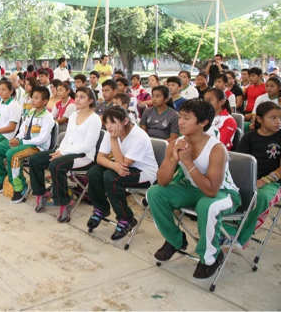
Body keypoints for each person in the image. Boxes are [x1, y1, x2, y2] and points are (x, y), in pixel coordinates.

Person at [147, 99, 240, 280]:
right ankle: (175, 240)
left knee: (207, 205)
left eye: (187, 118)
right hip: (192, 188)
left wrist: (188, 161)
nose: (180, 121)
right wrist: (175, 158)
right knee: (155, 193)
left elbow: (212, 191)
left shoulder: (216, 148)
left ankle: (211, 257)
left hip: (224, 193)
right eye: (180, 116)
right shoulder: (177, 143)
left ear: (203, 122)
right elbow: (162, 181)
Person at [29, 87, 102, 221]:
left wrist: (63, 153)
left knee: (56, 165)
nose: (78, 99)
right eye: (77, 96)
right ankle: (42, 193)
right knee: (35, 159)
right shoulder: (74, 115)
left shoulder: (94, 119)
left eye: (82, 97)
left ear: (90, 100)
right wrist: (59, 151)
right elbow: (67, 137)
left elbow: (88, 146)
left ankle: (65, 202)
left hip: (84, 156)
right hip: (66, 151)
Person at [87, 106, 158, 240]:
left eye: (113, 122)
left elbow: (123, 164)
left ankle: (126, 219)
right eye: (106, 123)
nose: (109, 127)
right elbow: (100, 158)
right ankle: (101, 208)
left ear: (125, 121)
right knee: (94, 172)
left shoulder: (138, 136)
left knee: (111, 177)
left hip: (144, 172)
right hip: (122, 167)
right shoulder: (111, 132)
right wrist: (113, 164)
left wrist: (114, 140)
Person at [0, 86, 54, 203]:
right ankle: (3, 179)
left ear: (45, 101)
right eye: (32, 97)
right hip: (24, 142)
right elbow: (23, 130)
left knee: (13, 155)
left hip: (37, 147)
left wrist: (22, 141)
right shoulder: (31, 112)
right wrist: (17, 138)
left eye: (36, 98)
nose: (32, 100)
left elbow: (41, 139)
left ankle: (20, 187)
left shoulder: (47, 117)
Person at [232, 102, 281, 248]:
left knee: (259, 197)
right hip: (249, 179)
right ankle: (228, 230)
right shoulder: (248, 138)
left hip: (273, 183)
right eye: (273, 118)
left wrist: (263, 181)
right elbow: (240, 164)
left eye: (280, 118)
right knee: (225, 191)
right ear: (259, 119)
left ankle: (241, 239)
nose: (278, 121)